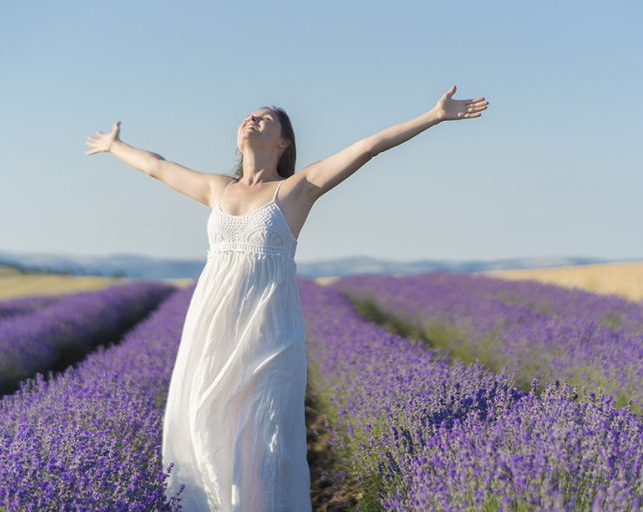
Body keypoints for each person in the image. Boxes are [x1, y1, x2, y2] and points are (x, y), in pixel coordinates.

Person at [84, 84, 489, 511]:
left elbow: (368, 147)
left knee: (265, 438)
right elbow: (157, 167)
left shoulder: (297, 189)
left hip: (268, 334)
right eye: (248, 116)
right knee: (203, 426)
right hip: (211, 332)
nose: (251, 120)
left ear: (282, 142)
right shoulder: (216, 188)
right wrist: (115, 146)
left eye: (265, 118)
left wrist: (432, 116)